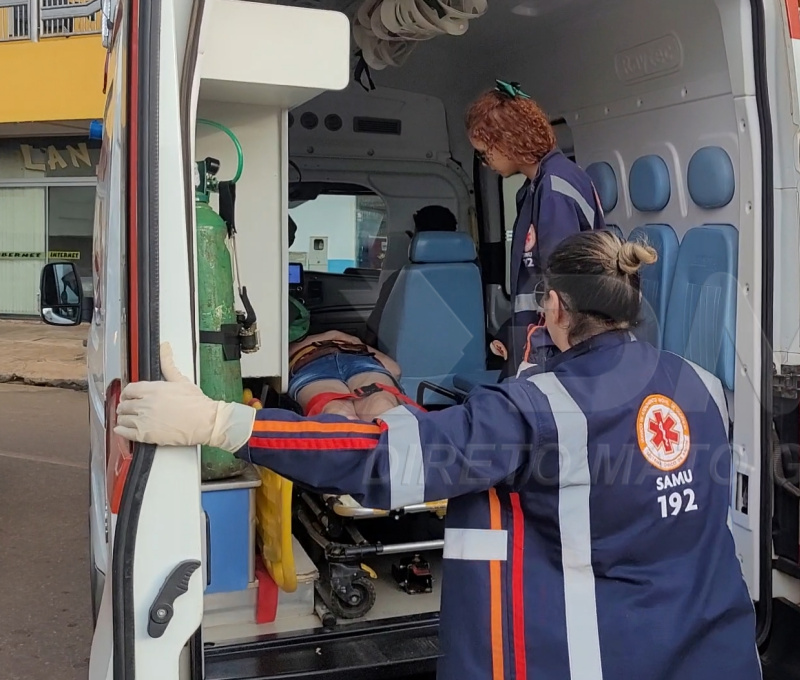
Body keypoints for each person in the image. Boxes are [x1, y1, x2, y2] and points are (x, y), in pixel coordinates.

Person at [114, 230, 763, 680]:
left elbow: (380, 461)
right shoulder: (699, 384)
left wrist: (223, 421)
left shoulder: (536, 412)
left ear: (556, 306)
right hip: (715, 653)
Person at [466, 80, 605, 376]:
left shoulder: (555, 190)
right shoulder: (537, 188)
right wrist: (512, 331)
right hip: (538, 339)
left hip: (553, 349)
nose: (485, 162)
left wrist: (531, 353)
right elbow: (534, 282)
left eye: (484, 152)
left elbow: (561, 291)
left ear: (507, 141)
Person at [362, 204, 459, 346]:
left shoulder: (401, 280)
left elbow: (373, 332)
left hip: (407, 365)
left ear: (418, 238)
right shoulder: (474, 278)